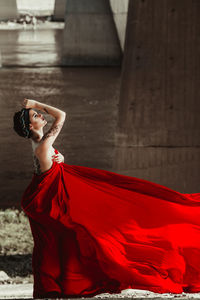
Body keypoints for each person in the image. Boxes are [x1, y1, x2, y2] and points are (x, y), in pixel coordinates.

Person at [13, 99, 200, 298]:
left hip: (50, 196)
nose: (41, 115)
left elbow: (48, 161)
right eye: (35, 115)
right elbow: (61, 116)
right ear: (31, 126)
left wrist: (60, 158)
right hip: (50, 200)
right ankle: (63, 284)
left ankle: (57, 286)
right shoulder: (42, 146)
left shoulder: (41, 145)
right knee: (85, 237)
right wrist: (36, 103)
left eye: (38, 112)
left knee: (61, 241)